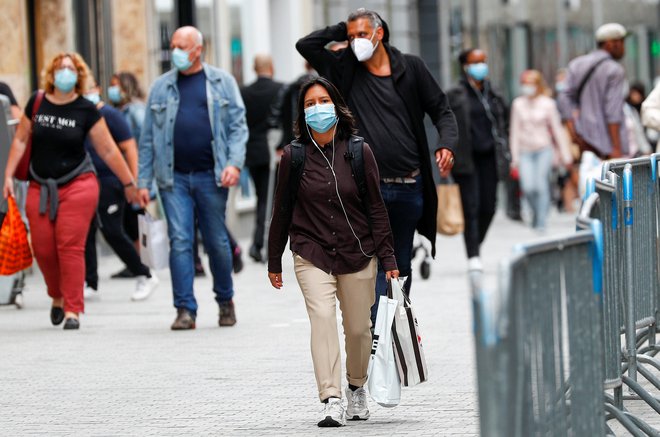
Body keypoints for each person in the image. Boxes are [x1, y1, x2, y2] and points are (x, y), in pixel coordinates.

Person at [296, 8, 457, 326]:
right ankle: (378, 333)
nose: (355, 42)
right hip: (366, 188)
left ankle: (392, 328)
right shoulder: (344, 69)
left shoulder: (411, 68)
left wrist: (447, 144)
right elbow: (306, 46)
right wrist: (342, 29)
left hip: (409, 185)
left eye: (361, 35)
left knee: (400, 264)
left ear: (379, 33)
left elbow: (442, 110)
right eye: (351, 36)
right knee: (373, 265)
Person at [267, 77, 398, 428]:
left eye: (322, 101)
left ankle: (356, 387)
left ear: (336, 106)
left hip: (358, 252)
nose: (317, 109)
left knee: (358, 328)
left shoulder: (358, 151)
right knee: (322, 319)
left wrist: (389, 259)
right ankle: (331, 398)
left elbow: (376, 208)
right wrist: (273, 258)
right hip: (312, 252)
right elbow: (281, 209)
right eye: (309, 104)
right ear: (302, 113)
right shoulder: (293, 156)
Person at [2, 52, 138, 330]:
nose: (66, 72)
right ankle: (57, 296)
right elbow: (19, 141)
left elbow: (109, 149)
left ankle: (73, 309)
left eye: (71, 68)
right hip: (40, 184)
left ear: (79, 74)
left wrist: (129, 183)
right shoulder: (37, 102)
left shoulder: (85, 109)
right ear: (52, 74)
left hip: (78, 183)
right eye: (61, 68)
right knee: (43, 249)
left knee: (70, 247)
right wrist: (7, 177)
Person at [137, 26, 247, 330]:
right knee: (181, 241)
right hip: (172, 179)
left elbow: (239, 127)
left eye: (181, 46)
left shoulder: (222, 82)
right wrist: (143, 181)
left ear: (198, 49)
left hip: (212, 177)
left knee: (217, 243)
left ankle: (225, 300)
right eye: (172, 45)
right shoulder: (160, 88)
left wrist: (234, 164)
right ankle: (185, 309)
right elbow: (147, 139)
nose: (175, 51)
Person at [82, 76, 159, 301]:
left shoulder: (111, 115)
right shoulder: (83, 114)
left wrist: (134, 183)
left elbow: (130, 148)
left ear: (97, 88)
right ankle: (91, 281)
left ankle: (144, 273)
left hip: (111, 182)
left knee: (113, 231)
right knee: (88, 232)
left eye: (89, 87)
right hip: (89, 180)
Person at [446, 48, 509, 271]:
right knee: (470, 206)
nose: (481, 65)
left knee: (489, 206)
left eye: (483, 61)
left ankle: (476, 241)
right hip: (466, 159)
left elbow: (504, 121)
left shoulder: (493, 93)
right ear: (465, 66)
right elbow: (446, 124)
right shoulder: (456, 93)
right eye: (475, 62)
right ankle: (473, 254)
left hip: (490, 158)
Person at [509, 70, 572, 232]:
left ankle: (541, 221)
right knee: (528, 186)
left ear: (537, 85)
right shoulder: (518, 104)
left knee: (541, 185)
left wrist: (565, 155)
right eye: (524, 84)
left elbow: (557, 130)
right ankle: (536, 213)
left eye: (530, 84)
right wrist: (514, 157)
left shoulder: (548, 104)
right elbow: (514, 132)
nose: (527, 87)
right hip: (524, 151)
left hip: (544, 149)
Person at [558, 23, 629, 160]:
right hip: (607, 144)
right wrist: (616, 148)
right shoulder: (614, 70)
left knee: (589, 180)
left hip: (583, 140)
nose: (623, 47)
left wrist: (573, 131)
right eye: (621, 42)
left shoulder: (576, 64)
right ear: (610, 43)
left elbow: (563, 97)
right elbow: (612, 111)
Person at [240, 54, 283, 263]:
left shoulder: (245, 92)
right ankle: (260, 243)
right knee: (269, 199)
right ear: (272, 67)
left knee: (262, 197)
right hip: (273, 151)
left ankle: (259, 242)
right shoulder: (281, 89)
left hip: (253, 152)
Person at [107, 71, 147, 279]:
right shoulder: (120, 111)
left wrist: (138, 178)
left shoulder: (135, 110)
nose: (112, 90)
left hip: (134, 172)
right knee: (129, 218)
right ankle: (136, 260)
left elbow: (141, 143)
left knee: (134, 217)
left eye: (116, 86)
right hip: (124, 173)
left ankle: (139, 261)